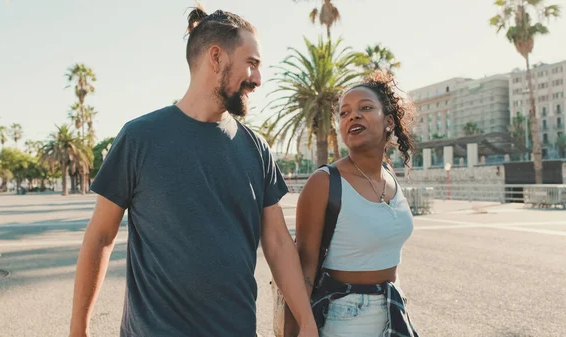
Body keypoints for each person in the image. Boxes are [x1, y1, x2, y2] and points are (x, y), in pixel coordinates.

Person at [68, 5, 318, 337]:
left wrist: (307, 323)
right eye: (252, 64)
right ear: (216, 57)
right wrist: (78, 328)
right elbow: (100, 236)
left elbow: (277, 242)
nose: (258, 78)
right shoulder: (139, 138)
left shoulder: (257, 149)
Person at [294, 72, 419, 336]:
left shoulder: (390, 178)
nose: (353, 116)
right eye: (344, 113)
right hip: (345, 317)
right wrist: (300, 328)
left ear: (388, 122)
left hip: (393, 309)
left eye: (365, 107)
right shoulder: (324, 182)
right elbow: (304, 269)